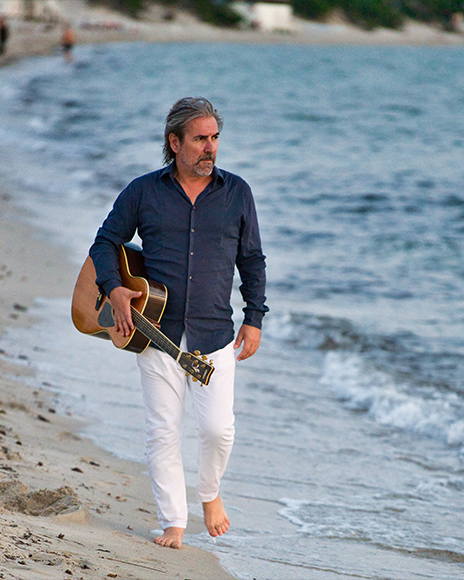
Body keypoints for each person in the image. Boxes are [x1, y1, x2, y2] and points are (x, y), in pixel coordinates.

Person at [89, 97, 268, 549]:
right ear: (175, 142)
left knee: (218, 430)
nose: (210, 147)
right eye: (200, 139)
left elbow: (251, 259)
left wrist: (254, 317)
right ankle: (173, 521)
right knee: (163, 431)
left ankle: (209, 493)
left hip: (215, 333)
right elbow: (105, 241)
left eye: (215, 138)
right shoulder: (143, 191)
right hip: (155, 332)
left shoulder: (237, 192)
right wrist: (114, 288)